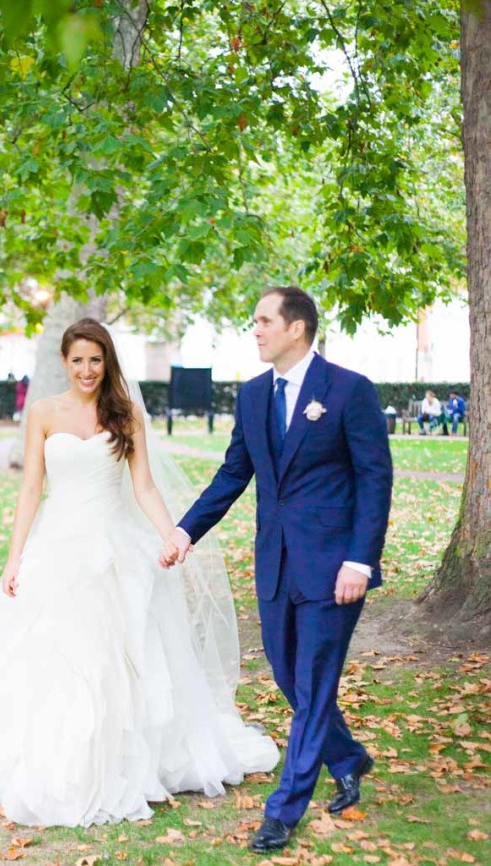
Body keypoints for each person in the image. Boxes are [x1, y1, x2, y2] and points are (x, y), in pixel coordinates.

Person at [0, 319, 278, 828]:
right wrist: (14, 556)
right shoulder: (43, 414)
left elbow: (146, 488)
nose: (87, 370)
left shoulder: (126, 414)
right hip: (58, 548)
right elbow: (31, 490)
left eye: (96, 359)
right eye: (77, 360)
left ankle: (124, 757)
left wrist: (171, 535)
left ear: (107, 361)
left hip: (115, 546)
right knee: (58, 653)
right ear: (63, 363)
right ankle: (58, 755)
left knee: (122, 653)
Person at [162, 287, 393, 853]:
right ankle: (349, 757)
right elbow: (233, 473)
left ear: (297, 328)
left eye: (264, 321)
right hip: (276, 564)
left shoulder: (348, 390)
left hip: (336, 568)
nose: (256, 330)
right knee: (291, 677)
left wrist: (360, 559)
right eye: (255, 321)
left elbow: (374, 479)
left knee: (313, 685)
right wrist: (185, 530)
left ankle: (284, 810)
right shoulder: (253, 396)